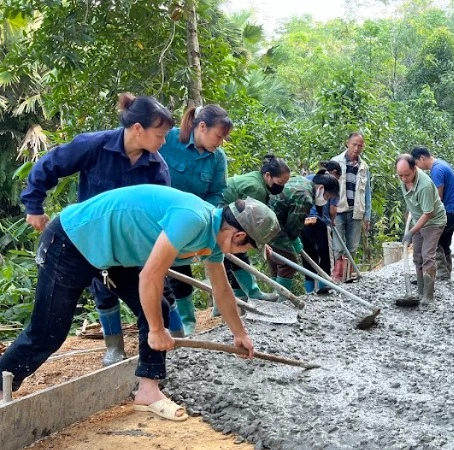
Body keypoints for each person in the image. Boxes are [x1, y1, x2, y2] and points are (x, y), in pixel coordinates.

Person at [0, 185, 279, 420]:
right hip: (71, 240)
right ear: (240, 236)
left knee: (157, 308)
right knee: (48, 331)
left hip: (111, 253)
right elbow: (150, 275)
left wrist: (240, 334)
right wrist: (157, 331)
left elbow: (221, 288)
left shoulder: (213, 237)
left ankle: (148, 390)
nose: (242, 253)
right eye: (246, 248)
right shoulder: (193, 218)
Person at [19, 93, 175, 367]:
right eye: (160, 135)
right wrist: (34, 205)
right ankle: (4, 380)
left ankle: (150, 382)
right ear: (138, 129)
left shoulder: (156, 169)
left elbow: (160, 219)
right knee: (47, 333)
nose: (163, 142)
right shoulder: (94, 145)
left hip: (122, 251)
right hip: (79, 245)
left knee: (156, 306)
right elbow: (50, 164)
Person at [158, 104, 232, 335]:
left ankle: (187, 321)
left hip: (192, 222)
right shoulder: (168, 140)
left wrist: (203, 216)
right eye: (218, 136)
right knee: (157, 270)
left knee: (182, 268)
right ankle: (160, 322)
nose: (219, 142)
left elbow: (216, 192)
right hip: (156, 215)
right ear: (202, 127)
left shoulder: (217, 159)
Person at [220, 155, 291, 306]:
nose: (281, 186)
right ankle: (246, 295)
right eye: (280, 182)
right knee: (231, 254)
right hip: (222, 214)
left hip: (230, 215)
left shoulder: (259, 181)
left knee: (236, 255)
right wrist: (262, 244)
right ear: (268, 176)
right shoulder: (257, 189)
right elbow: (253, 223)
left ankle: (245, 295)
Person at [395, 154, 446, 306]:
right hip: (418, 220)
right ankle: (419, 292)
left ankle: (428, 296)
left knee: (427, 256)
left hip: (434, 222)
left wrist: (411, 232)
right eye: (400, 175)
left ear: (414, 168)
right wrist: (410, 225)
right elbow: (410, 203)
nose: (403, 179)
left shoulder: (424, 185)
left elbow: (428, 213)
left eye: (407, 175)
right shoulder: (404, 179)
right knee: (417, 257)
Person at [410, 146, 454, 280]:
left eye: (416, 164)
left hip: (450, 210)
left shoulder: (437, 170)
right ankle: (446, 272)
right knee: (444, 242)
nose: (417, 168)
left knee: (434, 240)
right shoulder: (441, 164)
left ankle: (441, 273)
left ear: (422, 158)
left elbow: (437, 197)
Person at [331, 131, 372, 282]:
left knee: (352, 246)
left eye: (360, 145)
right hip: (338, 210)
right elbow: (329, 187)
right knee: (338, 247)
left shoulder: (364, 166)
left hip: (356, 211)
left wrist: (367, 216)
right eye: (354, 144)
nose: (357, 148)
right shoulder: (336, 162)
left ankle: (348, 276)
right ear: (347, 143)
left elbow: (367, 192)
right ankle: (337, 276)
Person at [300, 162, 341, 294]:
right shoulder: (331, 185)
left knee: (308, 256)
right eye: (328, 197)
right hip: (320, 223)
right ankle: (325, 285)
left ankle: (309, 291)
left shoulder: (308, 180)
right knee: (325, 255)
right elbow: (333, 210)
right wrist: (331, 221)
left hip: (302, 222)